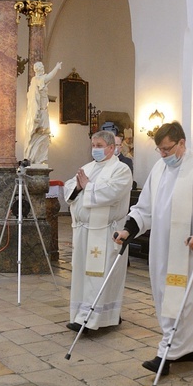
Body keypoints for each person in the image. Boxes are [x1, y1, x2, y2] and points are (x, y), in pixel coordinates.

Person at [114, 122, 193, 376]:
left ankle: (168, 352)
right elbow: (145, 207)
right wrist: (129, 228)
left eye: (166, 149)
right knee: (165, 296)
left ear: (182, 143)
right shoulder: (159, 169)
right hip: (163, 247)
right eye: (159, 150)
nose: (163, 155)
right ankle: (187, 348)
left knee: (188, 300)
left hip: (190, 248)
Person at [64, 131, 133, 332]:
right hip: (84, 231)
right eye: (93, 145)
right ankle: (81, 314)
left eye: (99, 145)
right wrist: (78, 188)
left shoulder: (121, 170)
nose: (95, 149)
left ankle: (97, 318)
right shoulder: (88, 167)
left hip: (105, 233)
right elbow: (70, 188)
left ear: (111, 148)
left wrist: (88, 186)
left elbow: (112, 193)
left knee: (101, 276)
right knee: (83, 275)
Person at [24, 61, 62, 165]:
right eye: (42, 66)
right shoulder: (37, 80)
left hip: (44, 110)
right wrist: (56, 67)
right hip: (40, 112)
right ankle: (35, 158)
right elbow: (49, 77)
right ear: (39, 69)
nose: (43, 68)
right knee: (41, 133)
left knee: (44, 135)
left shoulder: (37, 80)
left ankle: (40, 159)